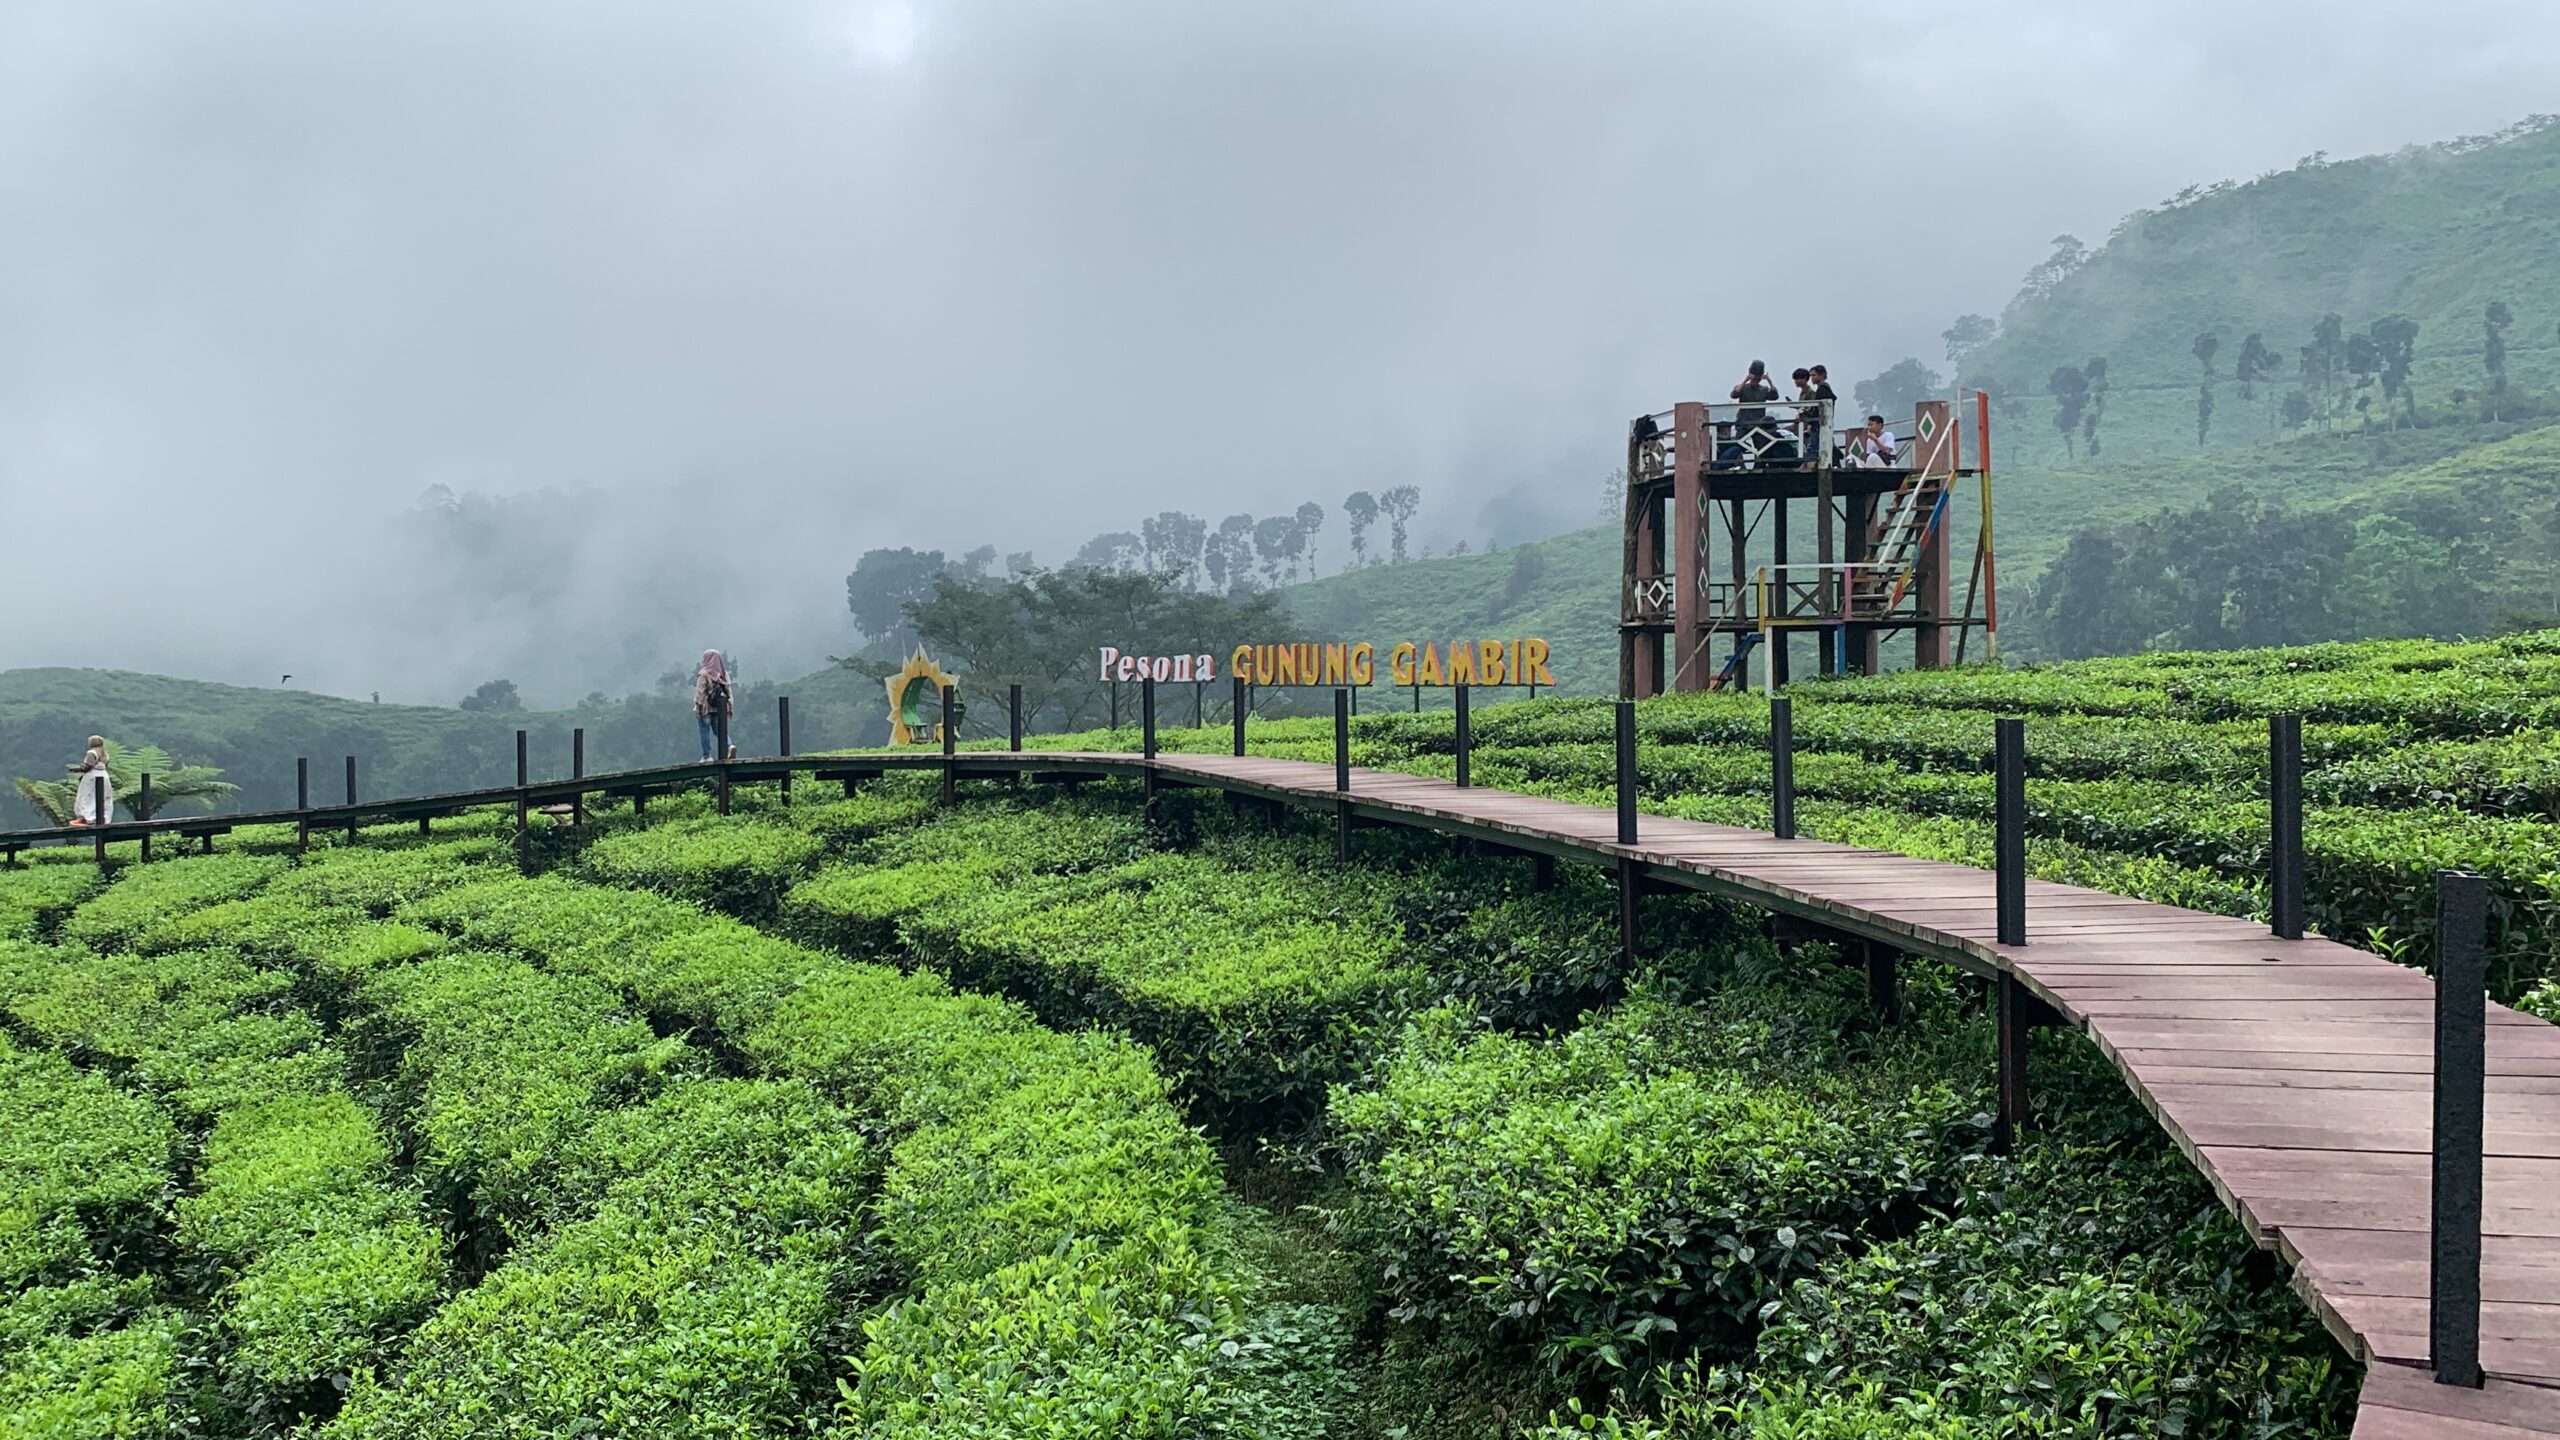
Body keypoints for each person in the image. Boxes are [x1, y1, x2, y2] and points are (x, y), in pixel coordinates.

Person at [1723, 360, 1781, 466]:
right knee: (1739, 446)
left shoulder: (1763, 389)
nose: (1756, 381)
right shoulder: (1743, 388)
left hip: (1758, 424)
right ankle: (1738, 465)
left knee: (1761, 447)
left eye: (1758, 378)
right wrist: (1746, 380)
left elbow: (1775, 396)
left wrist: (1769, 380)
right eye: (1755, 378)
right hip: (1743, 423)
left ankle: (1760, 465)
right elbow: (1734, 394)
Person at [692, 650, 735, 761]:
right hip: (719, 709)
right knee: (720, 731)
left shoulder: (704, 674)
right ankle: (729, 746)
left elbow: (700, 694)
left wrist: (698, 708)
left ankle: (707, 756)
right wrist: (729, 708)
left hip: (705, 709)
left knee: (704, 731)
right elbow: (728, 693)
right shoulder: (723, 675)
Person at [68, 736, 114, 827]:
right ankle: (102, 817)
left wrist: (77, 770)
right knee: (102, 797)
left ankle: (87, 818)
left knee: (87, 797)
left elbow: (88, 766)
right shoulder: (104, 753)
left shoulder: (91, 753)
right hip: (103, 775)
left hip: (92, 776)